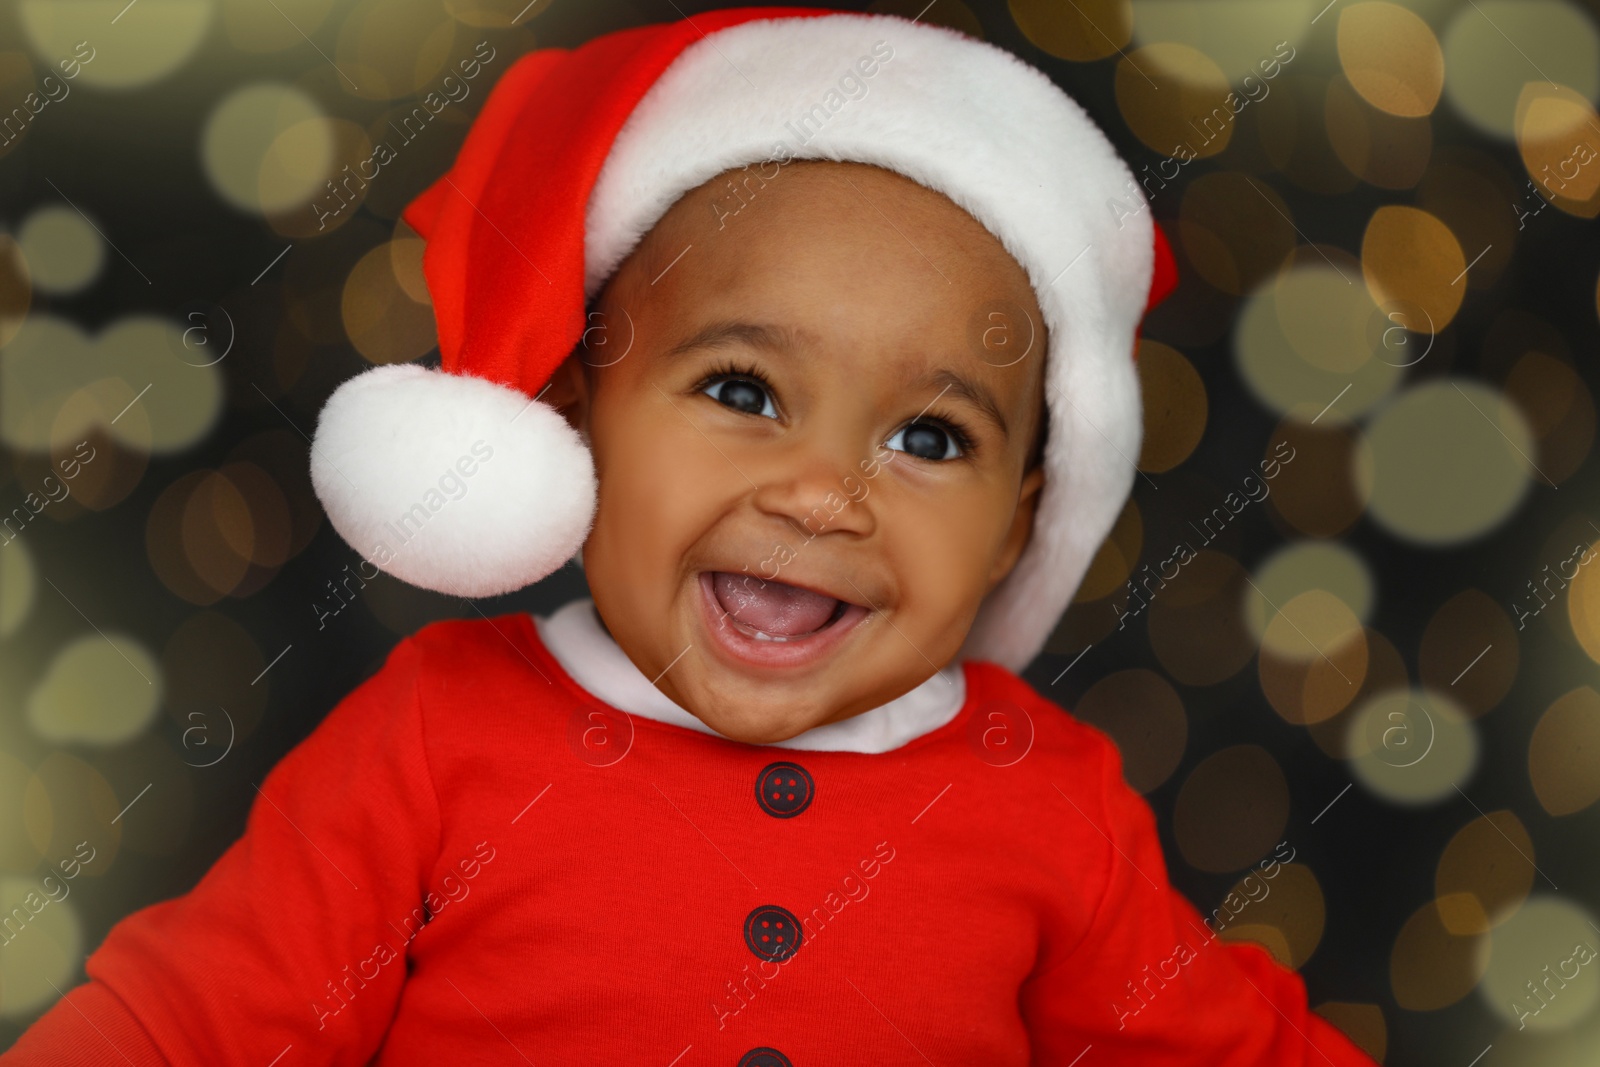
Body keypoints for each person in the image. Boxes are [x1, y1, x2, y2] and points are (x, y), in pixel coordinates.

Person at [3, 7, 1379, 1064]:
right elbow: (189, 1023)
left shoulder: (1047, 797)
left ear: (1026, 515)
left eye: (932, 438)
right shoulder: (437, 734)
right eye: (741, 392)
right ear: (578, 414)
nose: (823, 495)